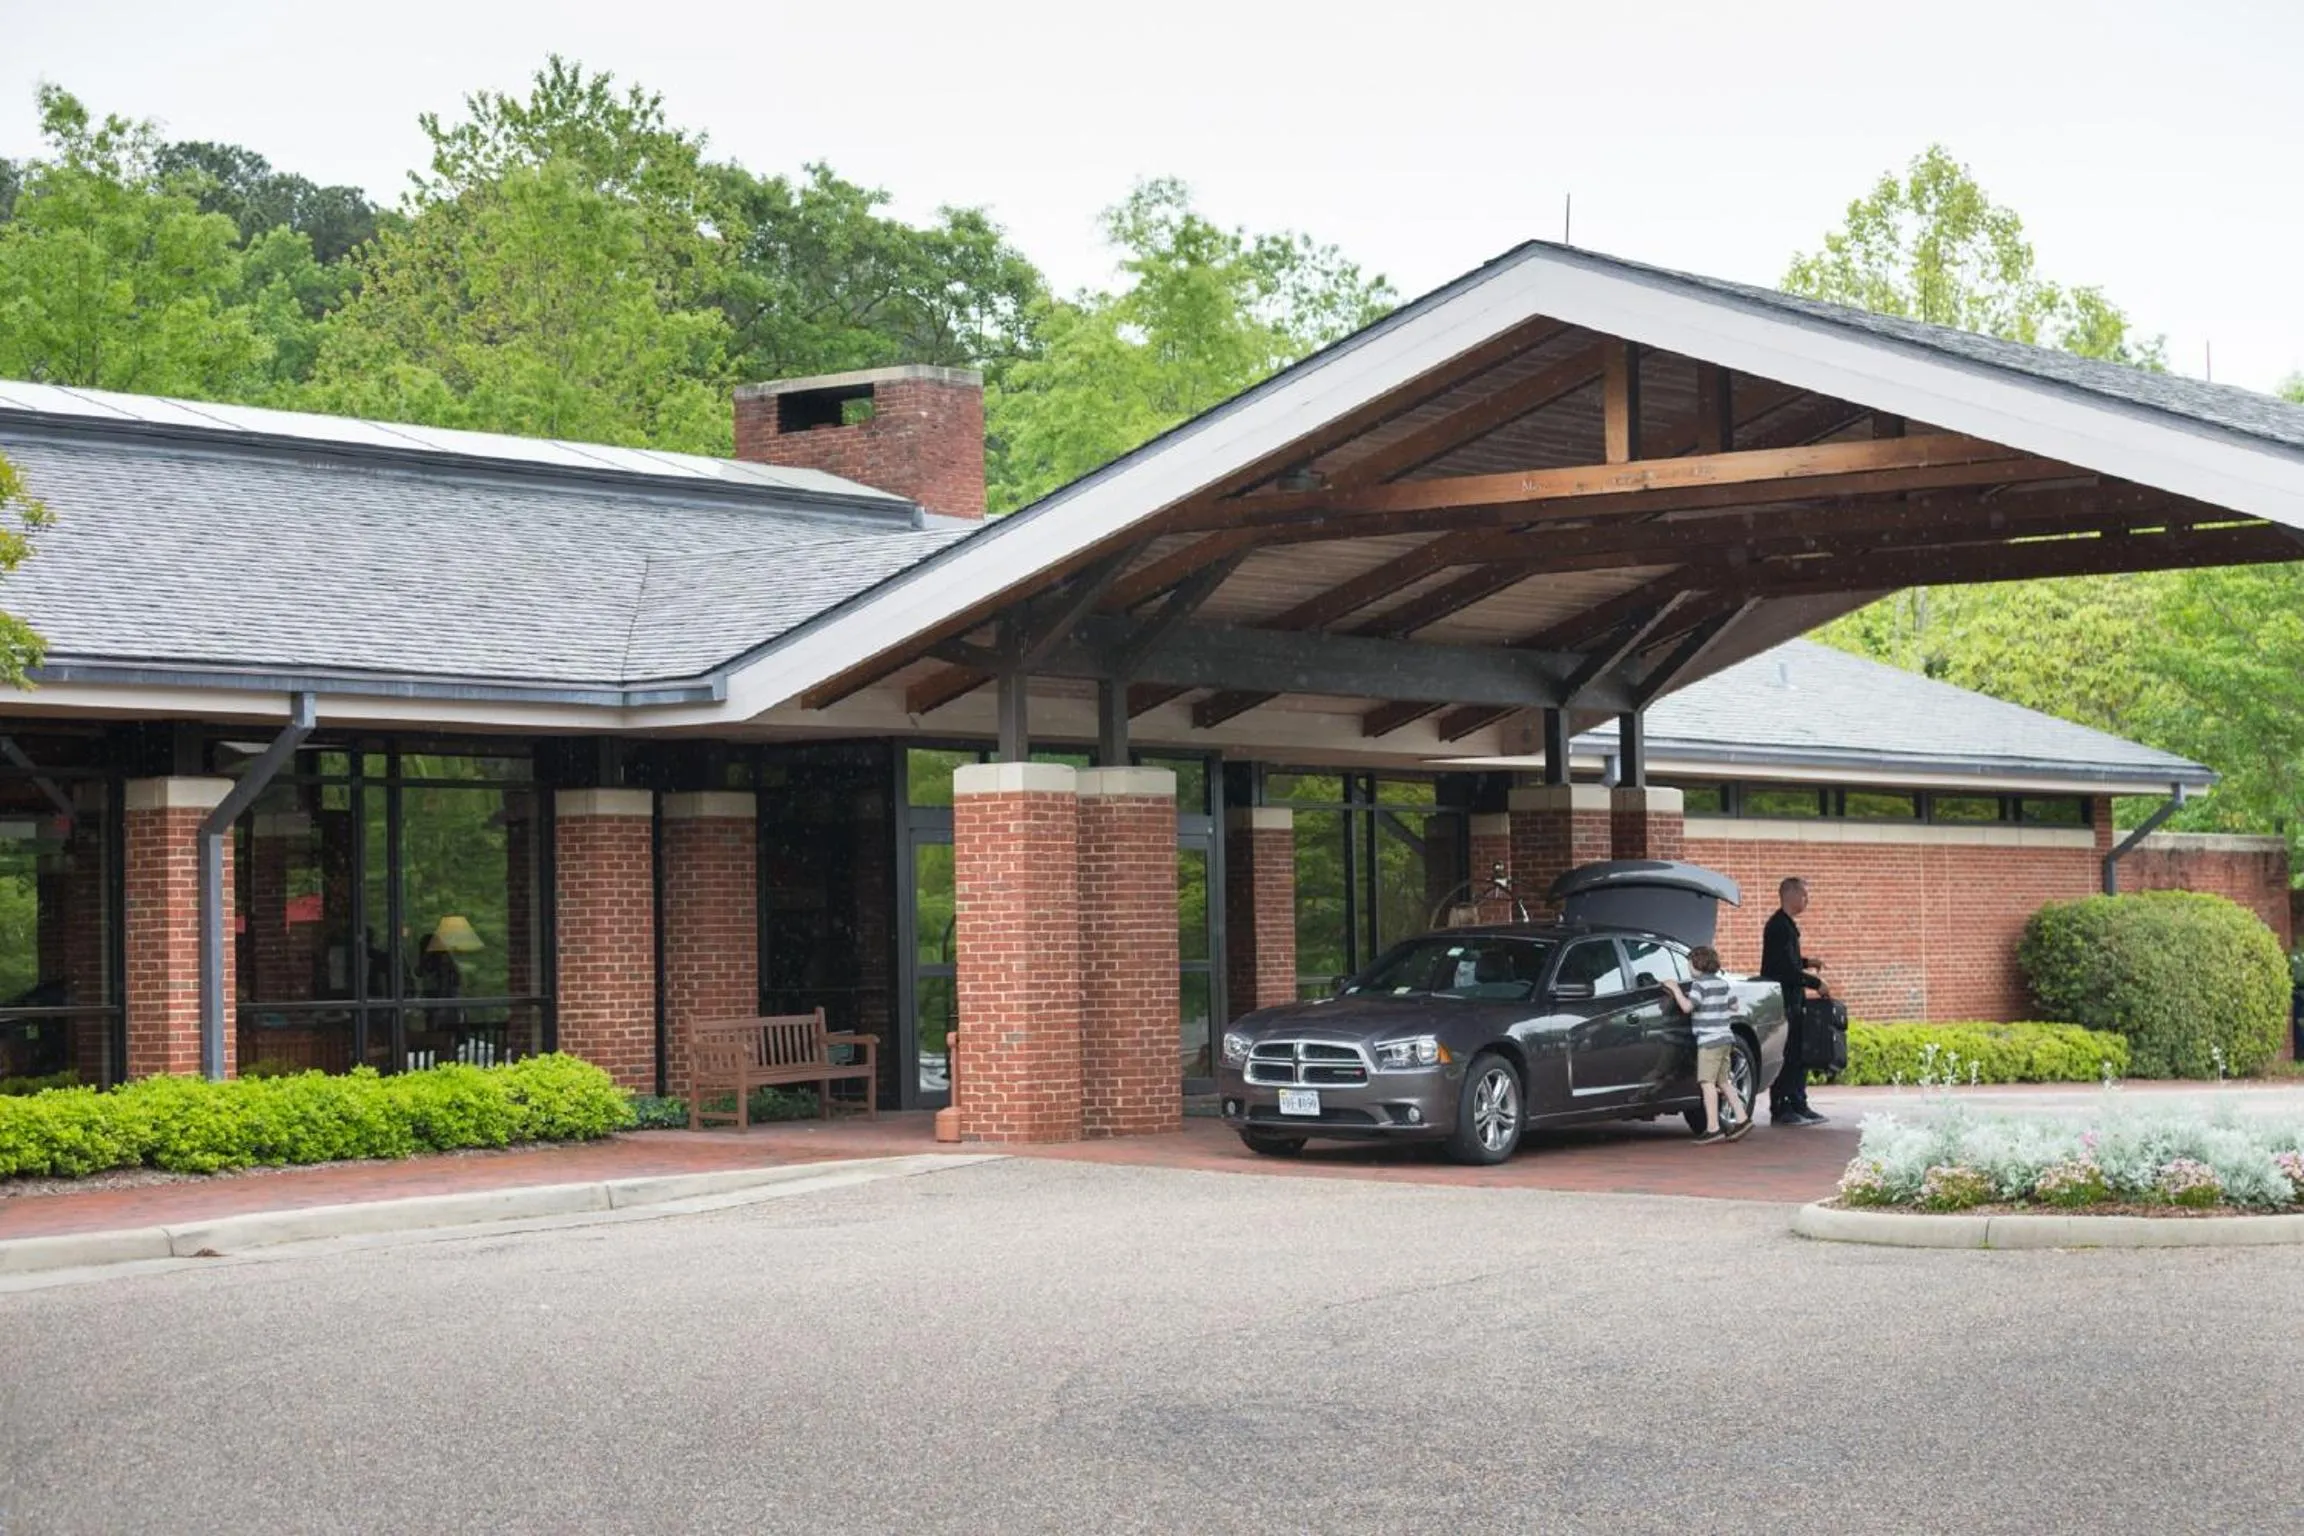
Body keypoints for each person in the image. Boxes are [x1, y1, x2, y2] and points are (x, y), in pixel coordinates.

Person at [1661, 945, 1754, 1145]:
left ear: (1698, 964)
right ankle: (1742, 1118)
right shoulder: (1722, 983)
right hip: (1725, 1039)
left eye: (1689, 964)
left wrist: (1675, 989)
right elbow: (1734, 1005)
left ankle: (1712, 1128)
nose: (1688, 969)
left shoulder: (1699, 985)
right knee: (1724, 1082)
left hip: (1709, 1041)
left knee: (1707, 1083)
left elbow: (1687, 1007)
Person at [1763, 877, 1829, 1126]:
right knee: (1788, 1054)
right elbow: (1783, 969)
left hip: (1793, 1000)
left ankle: (1799, 1103)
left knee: (1798, 1053)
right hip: (1784, 1001)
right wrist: (1816, 983)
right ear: (1790, 895)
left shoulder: (1786, 925)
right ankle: (1782, 1107)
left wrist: (1807, 962)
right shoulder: (1779, 926)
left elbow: (1788, 961)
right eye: (1804, 895)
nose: (1807, 900)